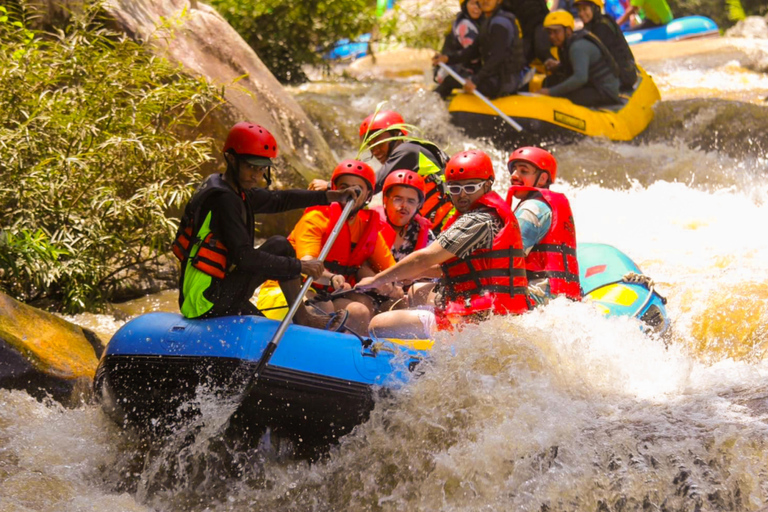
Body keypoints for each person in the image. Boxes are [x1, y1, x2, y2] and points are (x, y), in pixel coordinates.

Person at [173, 122, 357, 329]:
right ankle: (304, 318)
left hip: (211, 292)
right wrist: (301, 266)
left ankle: (301, 319)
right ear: (231, 159)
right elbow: (244, 257)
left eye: (261, 169)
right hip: (206, 300)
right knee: (280, 245)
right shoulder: (224, 200)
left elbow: (280, 199)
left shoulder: (230, 188)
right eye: (250, 167)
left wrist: (330, 195)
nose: (256, 175)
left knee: (279, 250)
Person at [356, 149, 531, 339]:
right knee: (417, 291)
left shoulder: (478, 221)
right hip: (496, 313)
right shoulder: (489, 215)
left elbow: (424, 258)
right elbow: (461, 267)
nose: (462, 195)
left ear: (487, 186)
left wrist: (376, 280)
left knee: (377, 325)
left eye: (470, 188)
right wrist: (418, 274)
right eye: (455, 189)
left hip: (476, 321)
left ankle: (429, 352)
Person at [286, 159, 398, 334]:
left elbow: (393, 269)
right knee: (325, 306)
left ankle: (357, 357)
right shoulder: (315, 218)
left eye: (358, 190)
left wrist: (390, 286)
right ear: (334, 191)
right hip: (294, 289)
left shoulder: (366, 229)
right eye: (344, 187)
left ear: (369, 195)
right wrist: (331, 277)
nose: (350, 194)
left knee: (362, 307)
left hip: (328, 293)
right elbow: (306, 264)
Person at [506, 147, 581, 302]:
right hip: (563, 296)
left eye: (523, 171)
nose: (514, 176)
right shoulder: (549, 204)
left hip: (538, 296)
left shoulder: (531, 209)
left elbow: (506, 257)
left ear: (541, 179)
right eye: (513, 170)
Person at [433, 0, 527, 100]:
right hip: (497, 78)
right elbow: (473, 51)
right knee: (450, 80)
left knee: (450, 81)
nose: (485, 1)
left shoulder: (500, 23)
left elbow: (497, 57)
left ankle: (429, 107)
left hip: (503, 82)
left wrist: (475, 80)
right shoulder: (489, 21)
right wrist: (447, 58)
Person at [539, 10, 621, 107]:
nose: (552, 36)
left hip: (605, 91)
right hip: (594, 86)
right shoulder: (566, 45)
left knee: (564, 97)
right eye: (549, 33)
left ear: (568, 31)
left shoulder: (577, 47)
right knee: (550, 81)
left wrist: (550, 92)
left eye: (556, 32)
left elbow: (580, 78)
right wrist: (558, 66)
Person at [575, 0, 637, 90]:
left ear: (595, 8)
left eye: (584, 9)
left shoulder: (602, 27)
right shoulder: (599, 22)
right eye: (579, 10)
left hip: (623, 78)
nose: (581, 13)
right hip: (624, 73)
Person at [375, 170, 435, 262]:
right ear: (385, 199)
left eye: (411, 201)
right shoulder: (370, 225)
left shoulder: (423, 232)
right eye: (398, 199)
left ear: (419, 205)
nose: (404, 205)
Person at [433, 0, 484, 99]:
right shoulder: (465, 25)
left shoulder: (482, 22)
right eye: (473, 3)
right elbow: (473, 55)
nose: (477, 8)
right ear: (465, 5)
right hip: (453, 72)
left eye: (479, 4)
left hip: (463, 68)